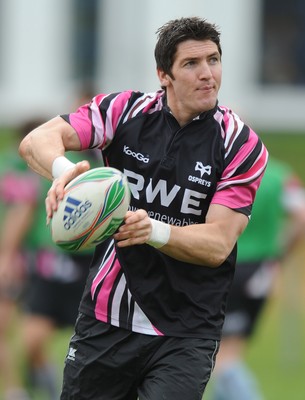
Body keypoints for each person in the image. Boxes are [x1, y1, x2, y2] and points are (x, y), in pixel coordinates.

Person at [19, 16, 268, 400]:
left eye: (214, 60)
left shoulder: (240, 145)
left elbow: (218, 243)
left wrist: (151, 230)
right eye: (191, 64)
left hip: (185, 330)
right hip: (106, 320)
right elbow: (38, 139)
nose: (208, 74)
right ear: (164, 74)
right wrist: (65, 173)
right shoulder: (123, 111)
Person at [0, 119, 98, 400]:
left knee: (88, 345)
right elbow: (23, 209)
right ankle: (26, 388)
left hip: (84, 263)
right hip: (46, 263)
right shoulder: (31, 166)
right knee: (30, 338)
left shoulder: (88, 161)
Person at [207, 156, 305, 400]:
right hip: (261, 270)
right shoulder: (281, 174)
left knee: (223, 355)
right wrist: (279, 252)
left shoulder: (221, 169)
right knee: (229, 352)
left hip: (224, 266)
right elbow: (301, 216)